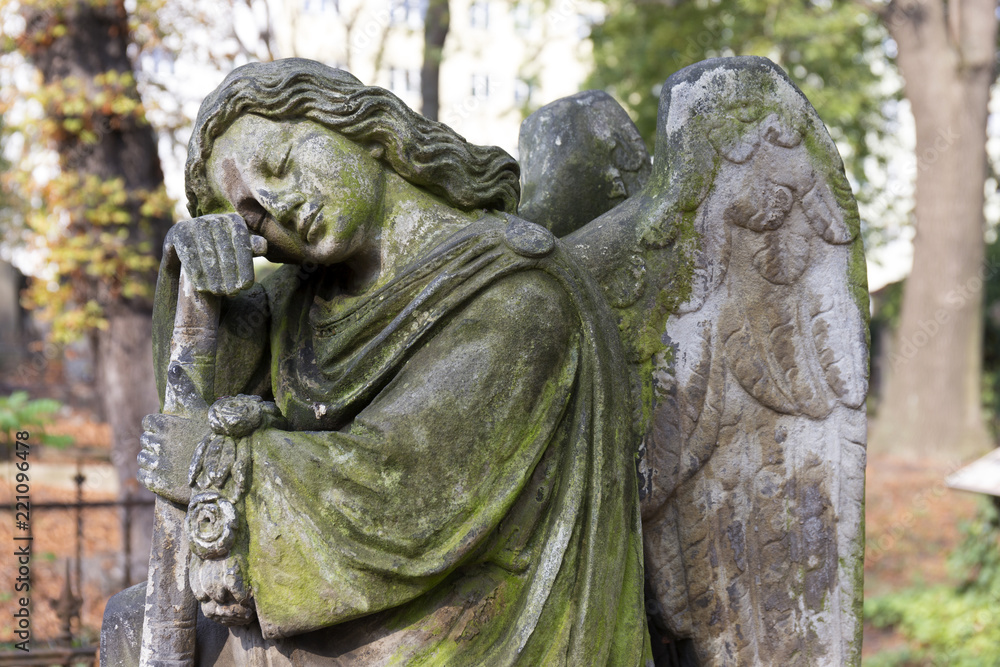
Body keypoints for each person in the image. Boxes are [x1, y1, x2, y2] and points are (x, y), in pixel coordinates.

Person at [102, 58, 650, 666]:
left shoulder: (516, 291)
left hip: (462, 617)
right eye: (254, 217)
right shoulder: (301, 302)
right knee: (130, 622)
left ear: (360, 126)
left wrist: (214, 465)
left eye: (281, 165)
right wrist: (198, 286)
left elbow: (409, 491)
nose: (278, 206)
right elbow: (198, 400)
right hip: (352, 597)